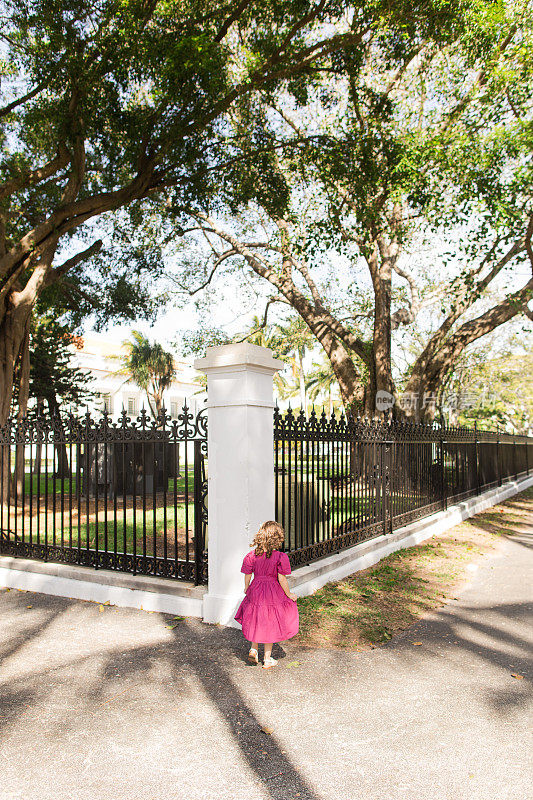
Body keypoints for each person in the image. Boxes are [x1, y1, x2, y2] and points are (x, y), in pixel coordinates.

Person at [234, 520, 299, 669]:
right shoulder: (280, 557)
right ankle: (267, 659)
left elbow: (247, 573)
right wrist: (288, 594)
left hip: (256, 588)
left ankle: (254, 649)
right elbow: (281, 578)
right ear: (277, 539)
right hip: (272, 590)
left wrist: (246, 587)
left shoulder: (252, 555)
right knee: (269, 622)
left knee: (256, 618)